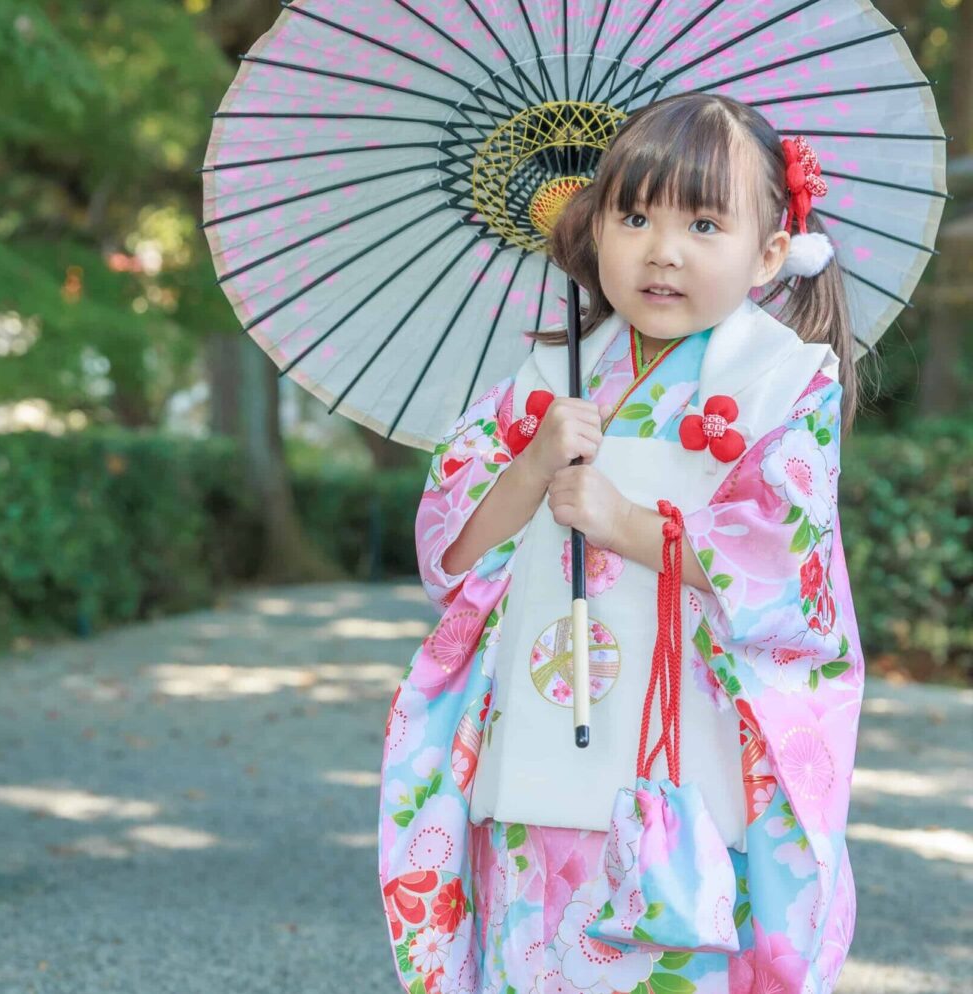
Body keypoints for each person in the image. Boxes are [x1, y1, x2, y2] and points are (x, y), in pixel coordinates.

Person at [378, 92, 864, 994]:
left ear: (768, 252)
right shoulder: (547, 379)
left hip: (692, 745)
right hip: (543, 712)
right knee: (534, 947)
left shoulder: (785, 383)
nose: (662, 249)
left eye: (704, 222)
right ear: (594, 228)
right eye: (634, 215)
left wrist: (622, 524)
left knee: (678, 952)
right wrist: (530, 466)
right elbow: (451, 558)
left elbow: (784, 572)